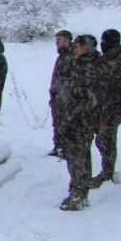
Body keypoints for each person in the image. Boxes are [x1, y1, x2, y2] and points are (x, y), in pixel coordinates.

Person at [58, 34, 103, 211]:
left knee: (80, 156)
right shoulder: (78, 62)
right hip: (72, 116)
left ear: (86, 47)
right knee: (74, 155)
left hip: (82, 119)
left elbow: (89, 96)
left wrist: (76, 113)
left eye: (78, 45)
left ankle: (79, 193)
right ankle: (76, 188)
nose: (75, 48)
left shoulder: (91, 66)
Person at [92, 28, 121, 189]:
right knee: (102, 140)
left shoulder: (120, 62)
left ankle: (107, 173)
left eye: (104, 42)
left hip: (111, 110)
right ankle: (106, 170)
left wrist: (108, 116)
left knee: (106, 141)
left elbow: (116, 92)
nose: (102, 45)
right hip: (102, 108)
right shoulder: (106, 59)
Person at [46, 29, 74, 157]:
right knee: (57, 122)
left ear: (67, 40)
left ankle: (66, 148)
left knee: (67, 123)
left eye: (60, 39)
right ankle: (58, 146)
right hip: (58, 96)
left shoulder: (72, 56)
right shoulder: (62, 56)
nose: (56, 42)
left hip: (68, 97)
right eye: (56, 39)